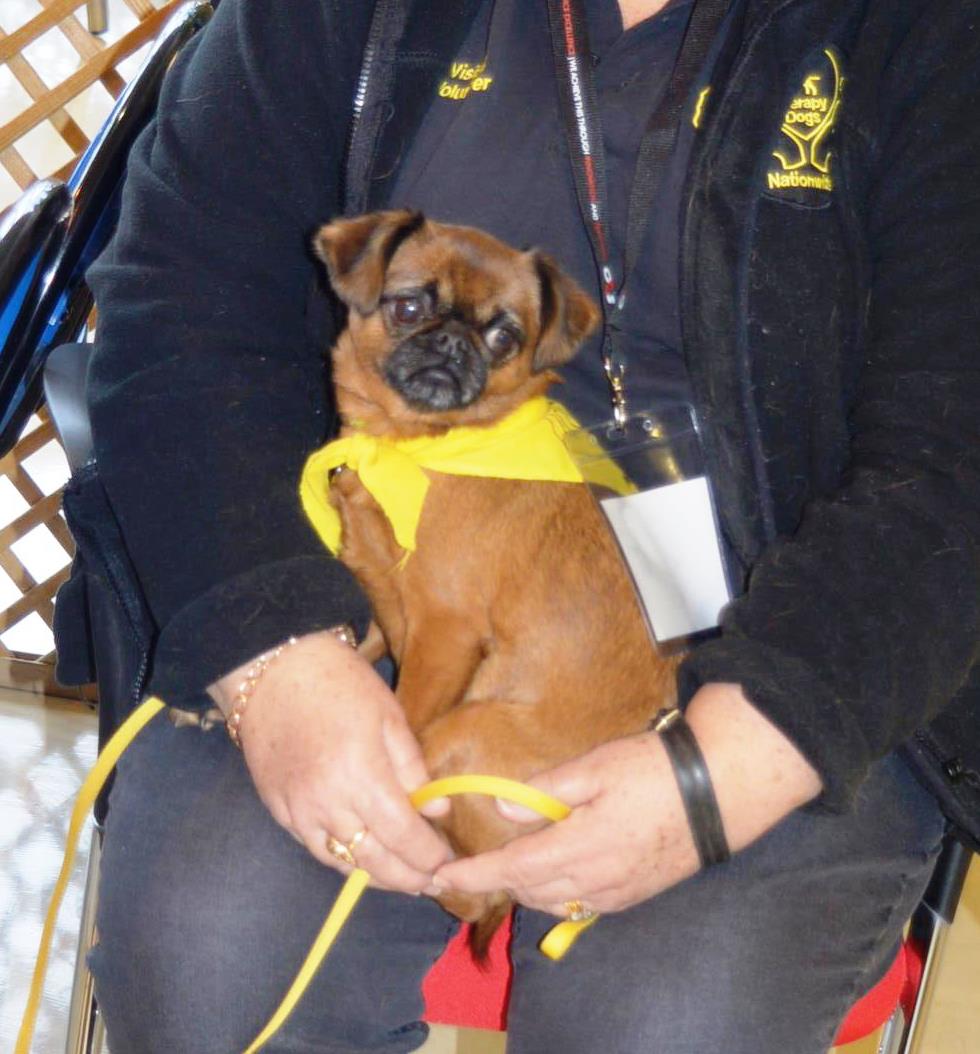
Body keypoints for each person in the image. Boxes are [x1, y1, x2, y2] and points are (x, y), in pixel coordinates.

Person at [77, 0, 980, 1051]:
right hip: (352, 595)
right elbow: (178, 308)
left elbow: (950, 458)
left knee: (660, 1021)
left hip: (799, 655)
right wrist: (270, 653)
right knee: (207, 945)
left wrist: (721, 771)